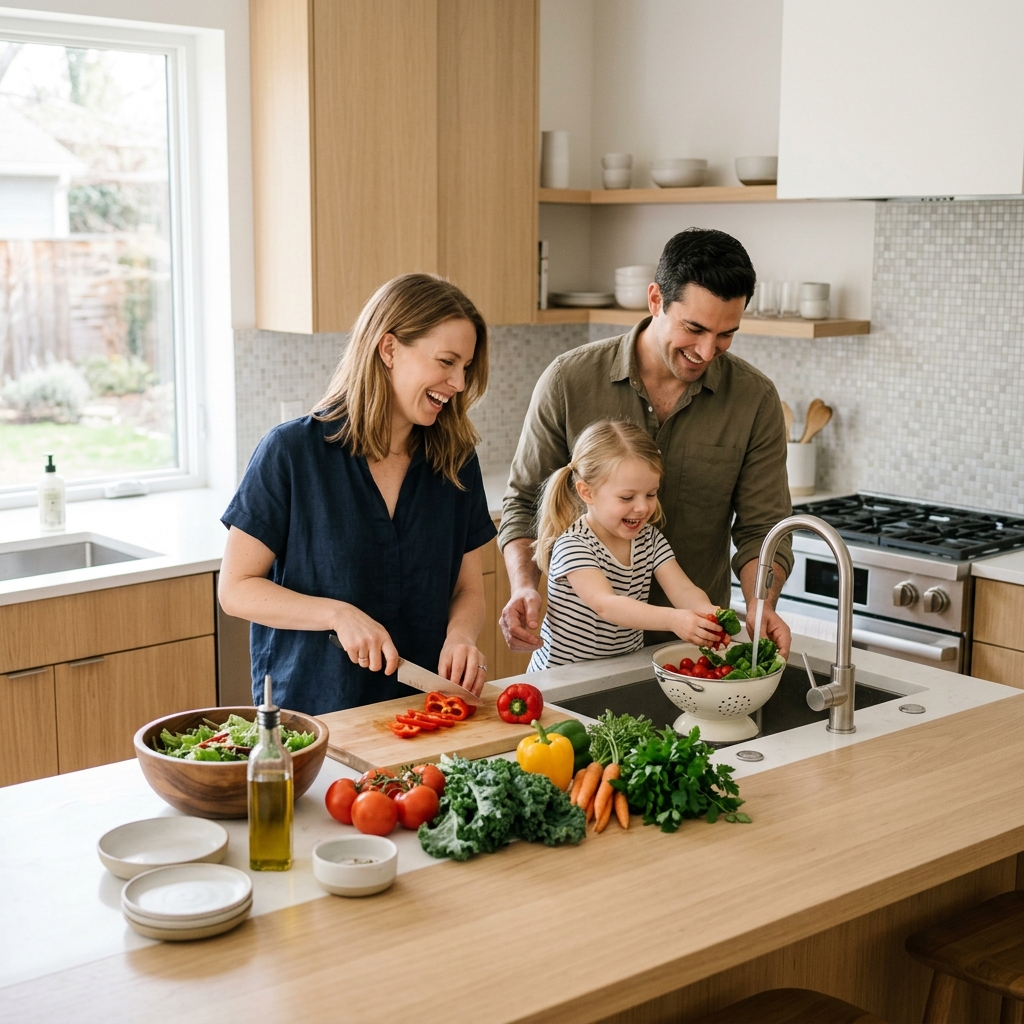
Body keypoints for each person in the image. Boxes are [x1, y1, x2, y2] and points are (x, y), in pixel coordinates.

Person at [499, 228, 793, 660]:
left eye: (726, 334)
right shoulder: (568, 380)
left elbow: (761, 531)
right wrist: (524, 586)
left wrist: (759, 603)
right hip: (584, 659)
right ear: (655, 300)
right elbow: (524, 501)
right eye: (694, 328)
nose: (708, 350)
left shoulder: (755, 399)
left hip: (693, 651)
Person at [219, 273, 496, 716]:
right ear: (388, 349)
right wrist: (337, 614)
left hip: (422, 712)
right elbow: (235, 590)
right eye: (447, 361)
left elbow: (468, 590)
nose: (459, 383)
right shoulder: (291, 453)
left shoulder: (455, 461)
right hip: (314, 717)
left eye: (465, 367)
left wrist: (461, 636)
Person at [529, 420, 724, 671]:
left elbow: (684, 591)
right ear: (586, 492)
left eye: (651, 494)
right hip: (561, 678)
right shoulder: (573, 545)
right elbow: (607, 605)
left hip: (616, 671)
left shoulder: (649, 539)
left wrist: (707, 614)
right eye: (627, 497)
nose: (642, 507)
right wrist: (674, 619)